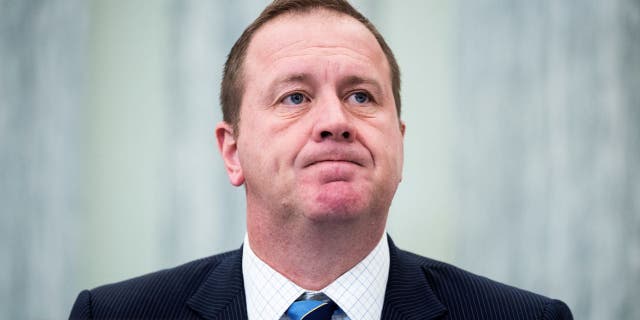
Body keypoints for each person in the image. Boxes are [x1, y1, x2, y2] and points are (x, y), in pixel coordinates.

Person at [69, 0, 573, 319]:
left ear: (398, 144)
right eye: (295, 97)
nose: (335, 120)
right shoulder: (113, 314)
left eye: (360, 96)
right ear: (232, 150)